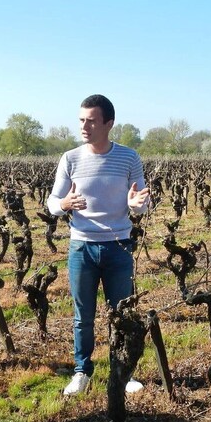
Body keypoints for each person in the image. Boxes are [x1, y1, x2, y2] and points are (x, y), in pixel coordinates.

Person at [47, 94, 151, 396]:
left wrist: (135, 204)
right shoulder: (70, 159)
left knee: (122, 315)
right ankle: (82, 371)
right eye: (81, 120)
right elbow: (53, 202)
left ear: (108, 123)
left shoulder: (129, 157)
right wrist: (64, 203)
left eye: (91, 120)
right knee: (83, 316)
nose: (84, 126)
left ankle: (124, 371)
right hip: (82, 248)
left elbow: (142, 202)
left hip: (118, 247)